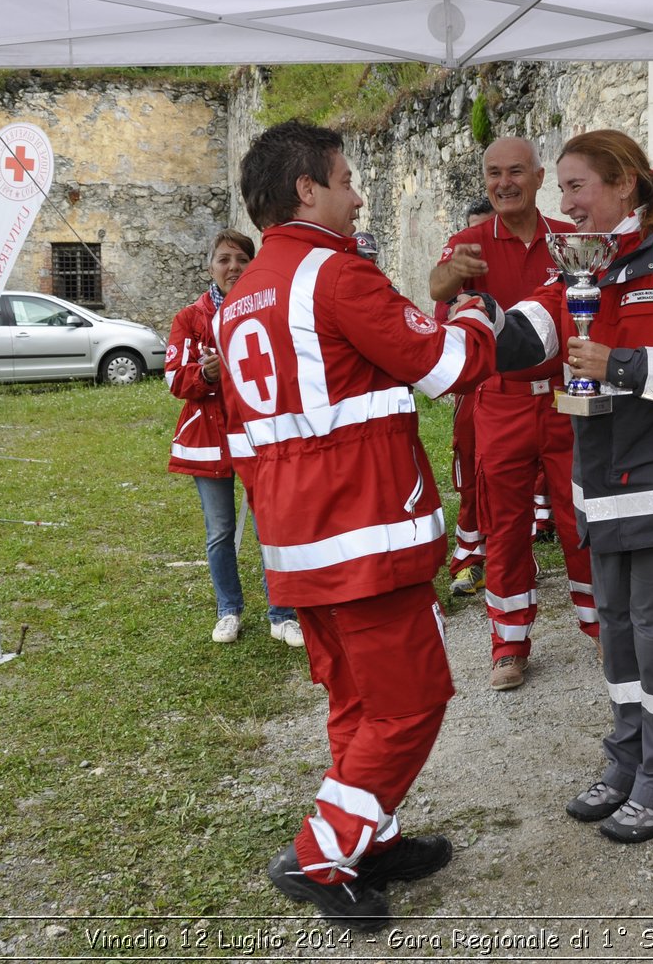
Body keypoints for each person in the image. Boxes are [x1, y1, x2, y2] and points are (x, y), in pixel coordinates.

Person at [221, 120, 499, 929]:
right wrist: (474, 309)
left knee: (357, 700)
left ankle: (371, 837)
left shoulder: (240, 299)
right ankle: (321, 852)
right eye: (347, 179)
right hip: (368, 533)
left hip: (302, 541)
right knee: (411, 703)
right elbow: (451, 366)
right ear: (306, 189)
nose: (359, 193)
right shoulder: (338, 277)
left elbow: (251, 438)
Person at [494, 129, 653, 842]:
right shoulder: (584, 270)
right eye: (563, 188)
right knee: (622, 648)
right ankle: (628, 761)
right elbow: (521, 340)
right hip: (604, 502)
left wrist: (621, 365)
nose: (564, 202)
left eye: (576, 185)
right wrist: (463, 306)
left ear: (625, 184)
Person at [430, 137, 597, 691]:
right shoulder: (469, 242)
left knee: (580, 520)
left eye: (516, 172)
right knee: (505, 528)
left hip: (564, 399)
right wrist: (455, 272)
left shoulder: (570, 238)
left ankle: (603, 630)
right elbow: (436, 290)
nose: (504, 183)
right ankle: (508, 645)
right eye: (494, 173)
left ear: (539, 176)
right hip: (499, 403)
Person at [166, 229, 302, 647]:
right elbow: (174, 378)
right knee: (221, 531)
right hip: (210, 441)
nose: (233, 268)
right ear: (210, 266)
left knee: (270, 527)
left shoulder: (268, 309)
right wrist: (205, 374)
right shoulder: (190, 318)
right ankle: (229, 610)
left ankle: (283, 613)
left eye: (242, 259)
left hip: (261, 438)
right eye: (224, 259)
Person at [443, 196, 494, 598]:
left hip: (528, 388)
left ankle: (514, 554)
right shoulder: (456, 276)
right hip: (476, 390)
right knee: (472, 475)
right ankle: (468, 562)